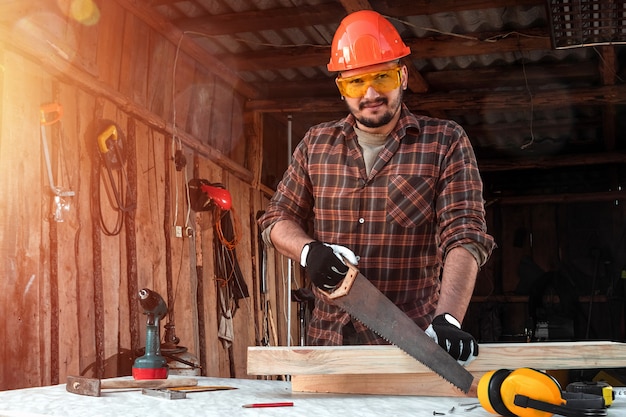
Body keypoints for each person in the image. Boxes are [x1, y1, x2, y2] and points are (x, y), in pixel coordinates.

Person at [258, 10, 495, 365]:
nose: (370, 93)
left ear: (402, 77)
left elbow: (465, 234)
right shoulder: (315, 144)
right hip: (327, 345)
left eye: (381, 77)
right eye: (356, 83)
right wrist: (309, 252)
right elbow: (276, 218)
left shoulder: (444, 141)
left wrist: (448, 317)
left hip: (409, 342)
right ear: (341, 89)